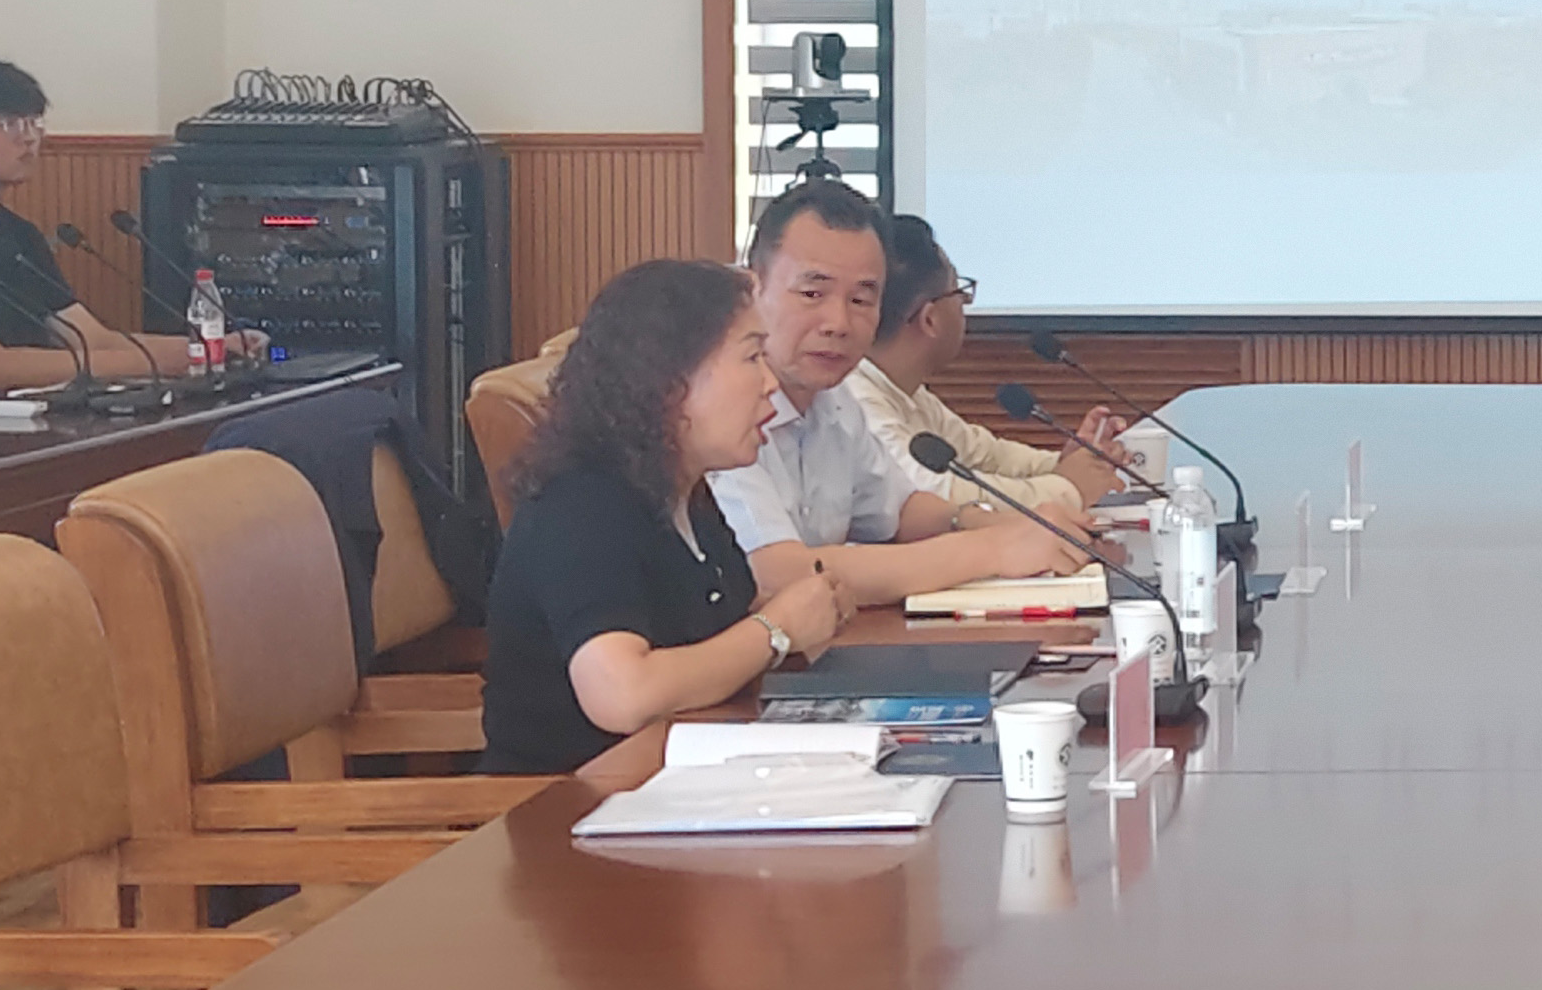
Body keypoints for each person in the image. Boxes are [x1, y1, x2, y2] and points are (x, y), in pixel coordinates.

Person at [481, 258, 848, 774]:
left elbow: (709, 632)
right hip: (570, 802)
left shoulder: (687, 494)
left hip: (676, 781)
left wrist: (800, 613)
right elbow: (621, 695)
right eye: (752, 358)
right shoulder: (582, 503)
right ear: (669, 382)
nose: (770, 383)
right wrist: (777, 629)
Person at [714, 178, 1084, 608]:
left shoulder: (835, 399)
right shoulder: (720, 408)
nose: (838, 323)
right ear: (752, 290)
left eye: (861, 300)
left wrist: (1008, 525)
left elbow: (899, 511)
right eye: (813, 293)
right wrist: (993, 549)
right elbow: (776, 573)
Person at [851, 214, 1133, 519]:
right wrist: (1068, 488)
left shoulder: (904, 390)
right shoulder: (855, 401)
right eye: (958, 291)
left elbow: (984, 455)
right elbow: (941, 496)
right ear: (930, 319)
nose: (965, 303)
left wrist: (1064, 464)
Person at [0, 60, 174, 393]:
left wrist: (206, 349)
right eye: (9, 124)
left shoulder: (20, 236)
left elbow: (91, 338)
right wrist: (155, 363)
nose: (29, 138)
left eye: (34, 122)